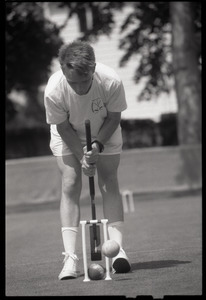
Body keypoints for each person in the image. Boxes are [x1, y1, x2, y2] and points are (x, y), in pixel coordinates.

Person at [44, 40, 131, 280]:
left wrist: (97, 145)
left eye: (86, 80)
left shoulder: (110, 81)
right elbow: (62, 127)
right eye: (74, 82)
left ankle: (117, 250)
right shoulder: (54, 91)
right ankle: (70, 258)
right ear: (63, 71)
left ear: (93, 68)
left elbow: (114, 118)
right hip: (67, 132)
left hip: (105, 129)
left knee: (109, 180)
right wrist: (83, 156)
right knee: (71, 182)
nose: (80, 88)